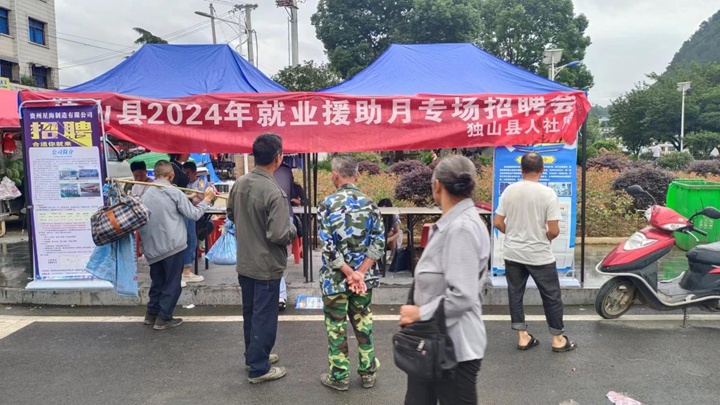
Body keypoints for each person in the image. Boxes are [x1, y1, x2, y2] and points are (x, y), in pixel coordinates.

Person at [399, 155, 489, 405]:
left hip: (453, 349)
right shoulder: (455, 223)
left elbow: (462, 295)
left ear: (437, 185)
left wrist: (419, 313)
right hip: (433, 342)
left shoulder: (461, 228)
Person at [227, 133, 297, 384]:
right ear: (278, 157)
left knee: (251, 313)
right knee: (264, 317)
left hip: (245, 260)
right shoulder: (274, 192)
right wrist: (293, 228)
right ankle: (259, 368)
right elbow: (279, 234)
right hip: (266, 264)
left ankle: (254, 356)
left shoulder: (240, 183)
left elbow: (231, 214)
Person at [493, 152, 577, 353]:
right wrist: (543, 237)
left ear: (521, 170)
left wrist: (512, 233)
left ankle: (522, 337)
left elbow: (497, 222)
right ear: (542, 170)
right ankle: (558, 339)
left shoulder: (509, 191)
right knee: (551, 296)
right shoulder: (548, 193)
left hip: (513, 253)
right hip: (539, 255)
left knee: (515, 294)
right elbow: (554, 230)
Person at [317, 156, 384, 391]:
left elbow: (327, 248)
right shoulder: (370, 204)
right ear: (357, 176)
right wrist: (360, 273)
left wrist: (347, 272)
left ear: (334, 175)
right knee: (363, 325)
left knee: (336, 328)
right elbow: (379, 243)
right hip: (363, 282)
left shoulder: (326, 205)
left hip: (334, 281)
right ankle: (368, 373)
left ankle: (340, 377)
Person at [139, 160, 215, 330]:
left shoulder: (146, 193)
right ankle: (164, 317)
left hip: (152, 247)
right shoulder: (174, 192)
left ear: (155, 174)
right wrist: (207, 200)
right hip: (172, 246)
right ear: (171, 175)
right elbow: (194, 214)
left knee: (157, 282)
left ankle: (151, 314)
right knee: (173, 284)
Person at [179, 161, 209, 284]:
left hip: (198, 212)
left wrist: (191, 195)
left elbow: (200, 196)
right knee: (188, 238)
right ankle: (186, 269)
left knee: (208, 226)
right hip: (187, 213)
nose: (187, 176)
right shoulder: (184, 183)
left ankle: (200, 241)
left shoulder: (201, 181)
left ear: (194, 172)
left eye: (188, 173)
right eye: (185, 173)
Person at [273, 160, 295, 310]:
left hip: (270, 217)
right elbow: (291, 192)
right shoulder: (286, 170)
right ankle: (280, 295)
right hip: (286, 215)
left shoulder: (256, 175)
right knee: (280, 256)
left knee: (273, 256)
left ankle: (280, 294)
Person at [377, 198, 403, 264]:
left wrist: (388, 239)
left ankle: (392, 256)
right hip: (378, 234)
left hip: (388, 236)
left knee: (391, 233)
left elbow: (397, 232)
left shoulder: (394, 215)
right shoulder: (375, 214)